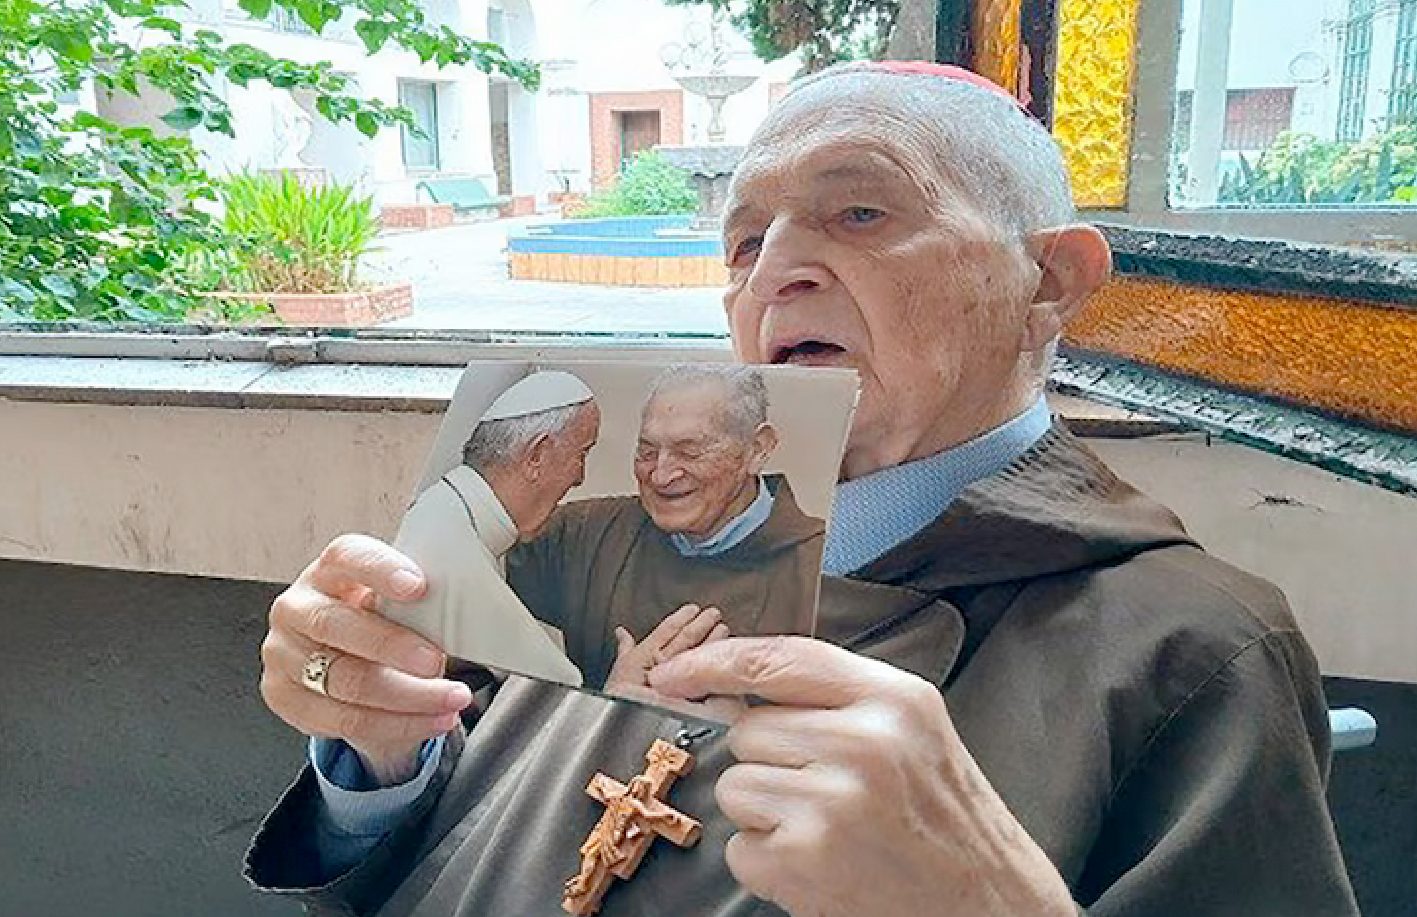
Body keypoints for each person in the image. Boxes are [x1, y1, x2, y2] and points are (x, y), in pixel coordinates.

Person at [250, 60, 1356, 916]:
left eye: (860, 212)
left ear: (1049, 281)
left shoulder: (1196, 652)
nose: (775, 268)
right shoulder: (600, 543)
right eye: (743, 242)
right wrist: (380, 756)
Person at [506, 364, 826, 690]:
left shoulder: (819, 567)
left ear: (757, 449)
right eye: (647, 452)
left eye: (689, 452)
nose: (661, 475)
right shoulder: (585, 535)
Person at [382, 370, 601, 687]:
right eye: (582, 455)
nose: (580, 478)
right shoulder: (454, 550)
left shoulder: (451, 511)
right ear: (537, 455)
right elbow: (552, 690)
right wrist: (619, 687)